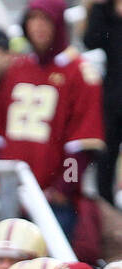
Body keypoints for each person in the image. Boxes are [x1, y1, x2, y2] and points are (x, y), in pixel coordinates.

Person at [0, 0, 105, 243]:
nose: (38, 26)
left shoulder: (80, 73)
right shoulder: (18, 68)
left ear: (58, 23)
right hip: (12, 196)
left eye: (45, 19)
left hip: (52, 203)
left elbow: (82, 145)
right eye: (32, 19)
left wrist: (62, 189)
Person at [84, 0, 122, 206]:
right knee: (106, 157)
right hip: (114, 95)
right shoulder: (104, 11)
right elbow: (90, 40)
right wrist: (95, 9)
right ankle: (106, 211)